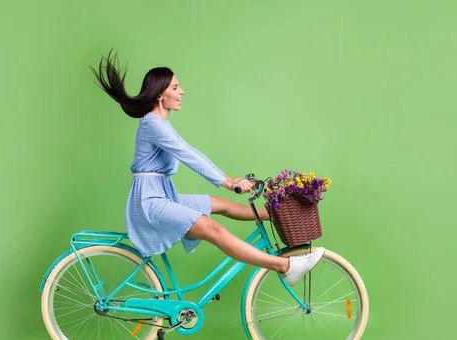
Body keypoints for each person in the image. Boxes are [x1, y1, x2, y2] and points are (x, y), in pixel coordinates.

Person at [91, 50, 324, 286]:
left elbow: (191, 151)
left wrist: (229, 179)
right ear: (160, 94)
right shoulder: (153, 124)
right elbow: (187, 154)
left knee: (219, 203)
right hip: (149, 203)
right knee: (214, 229)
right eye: (175, 87)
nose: (181, 92)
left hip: (162, 195)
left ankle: (277, 214)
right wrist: (228, 182)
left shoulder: (160, 123)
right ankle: (285, 266)